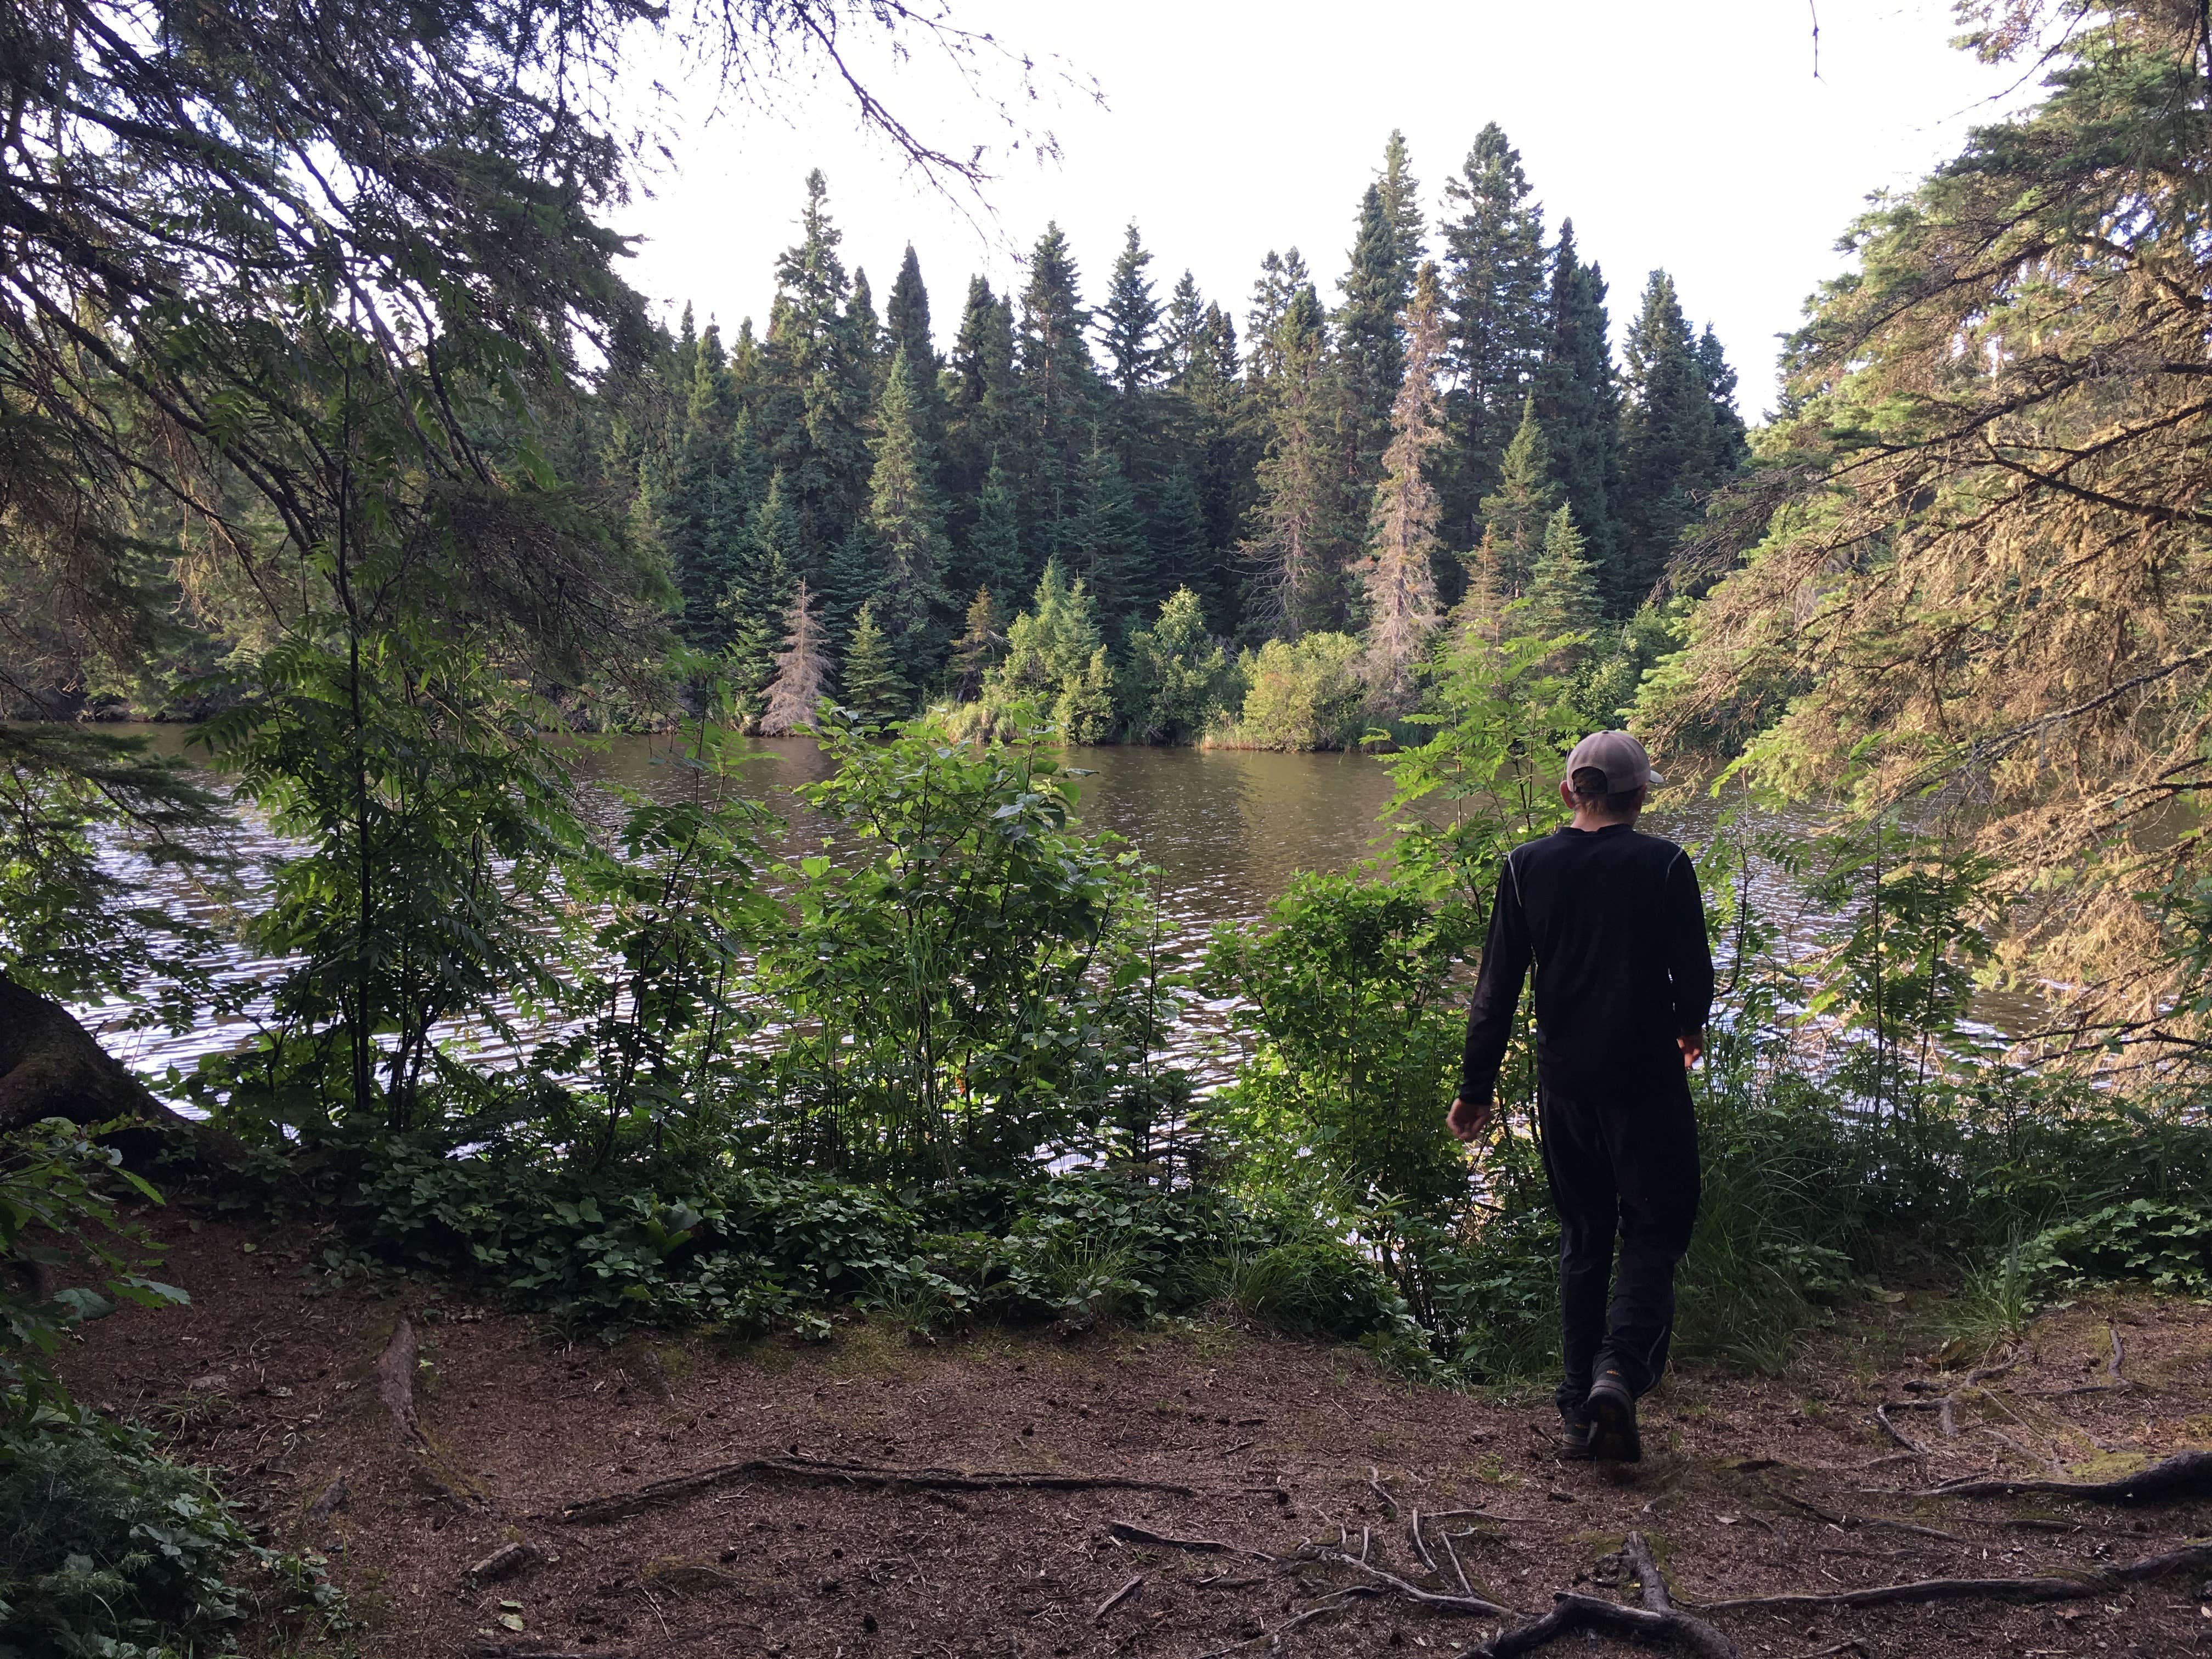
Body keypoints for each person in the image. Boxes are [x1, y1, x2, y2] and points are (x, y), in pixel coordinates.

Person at [1446, 731, 1713, 1464]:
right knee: (1655, 1228)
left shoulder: (1525, 867)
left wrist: (1475, 1088)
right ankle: (1617, 1371)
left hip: (1565, 1085)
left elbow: (1495, 992)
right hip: (1646, 1080)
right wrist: (1689, 1027)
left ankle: (1575, 1411)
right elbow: (1693, 973)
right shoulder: (1665, 865)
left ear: (1569, 792)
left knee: (1584, 1235)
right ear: (1641, 796)